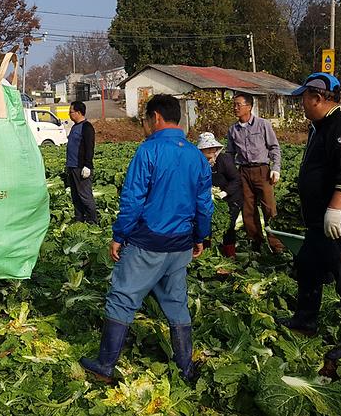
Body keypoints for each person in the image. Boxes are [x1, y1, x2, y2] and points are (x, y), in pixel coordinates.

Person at [79, 94, 213, 382]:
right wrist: (201, 235)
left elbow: (133, 199)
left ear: (156, 118)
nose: (144, 125)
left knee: (122, 298)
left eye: (144, 120)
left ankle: (105, 365)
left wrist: (119, 235)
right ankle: (185, 368)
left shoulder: (148, 151)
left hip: (148, 242)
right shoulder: (196, 156)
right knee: (176, 302)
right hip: (180, 244)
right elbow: (205, 204)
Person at [279, 73, 341, 366]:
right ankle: (305, 320)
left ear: (318, 98)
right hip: (320, 221)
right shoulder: (318, 128)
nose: (302, 104)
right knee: (308, 265)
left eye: (304, 99)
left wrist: (335, 209)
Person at [226, 92, 285, 254]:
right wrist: (232, 173)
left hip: (262, 171)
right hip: (244, 171)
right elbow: (230, 153)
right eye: (234, 105)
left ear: (249, 107)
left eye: (239, 104)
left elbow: (274, 147)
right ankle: (256, 242)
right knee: (248, 209)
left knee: (269, 208)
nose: (235, 108)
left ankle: (277, 245)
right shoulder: (233, 130)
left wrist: (276, 168)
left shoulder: (262, 125)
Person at [197, 132, 242, 259]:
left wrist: (224, 192)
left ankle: (230, 255)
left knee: (228, 225)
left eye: (213, 149)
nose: (211, 153)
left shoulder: (224, 160)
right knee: (206, 224)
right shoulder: (198, 163)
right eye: (207, 150)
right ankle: (206, 254)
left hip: (230, 198)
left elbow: (236, 180)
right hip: (210, 198)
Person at [65, 101, 98, 223]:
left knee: (85, 196)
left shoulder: (86, 127)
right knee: (76, 197)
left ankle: (92, 222)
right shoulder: (74, 127)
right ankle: (79, 220)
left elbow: (90, 147)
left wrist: (87, 166)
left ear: (78, 112)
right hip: (72, 167)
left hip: (81, 168)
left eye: (71, 112)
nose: (69, 114)